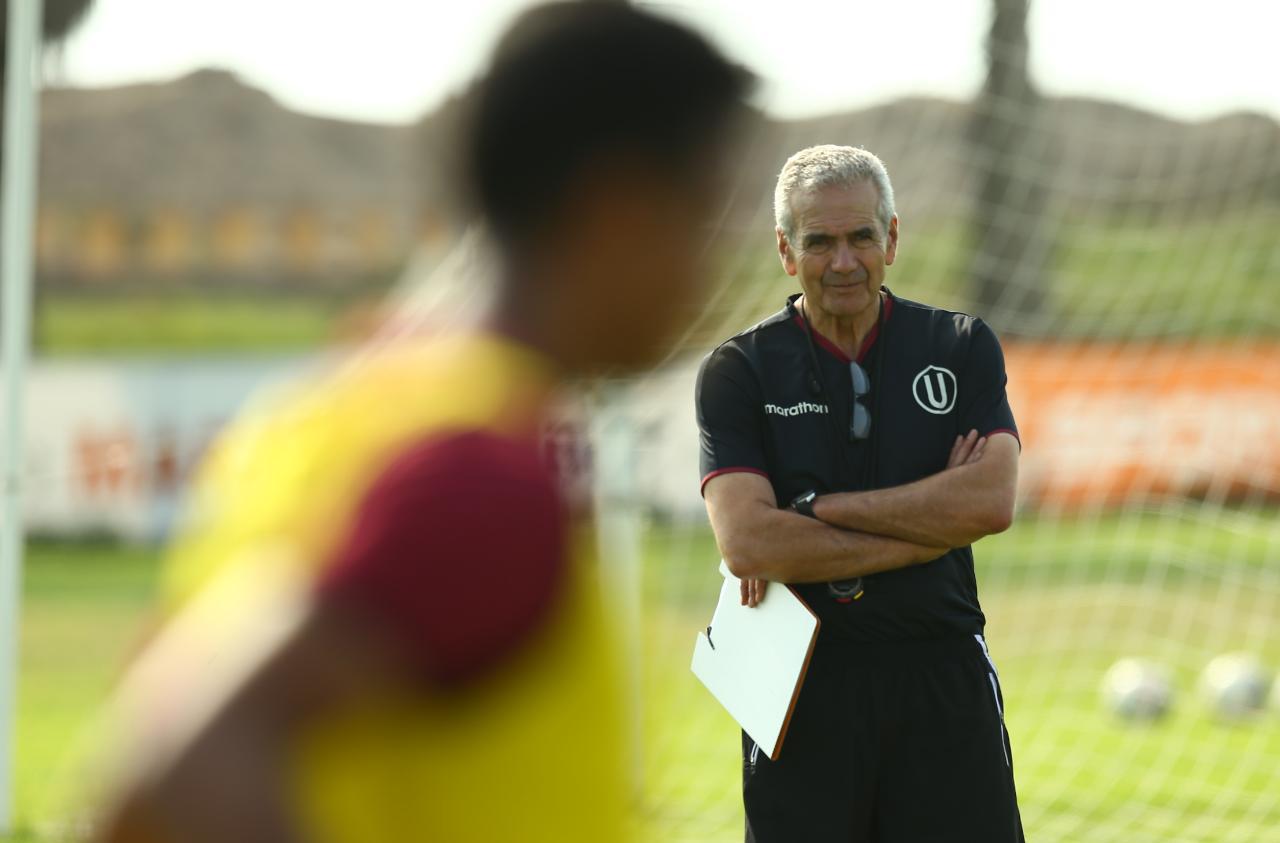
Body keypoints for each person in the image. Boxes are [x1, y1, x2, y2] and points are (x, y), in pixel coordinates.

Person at [88, 5, 752, 842]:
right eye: (705, 217)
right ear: (622, 212)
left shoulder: (330, 411)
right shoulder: (480, 475)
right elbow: (175, 765)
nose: (713, 265)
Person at [696, 144, 1024, 842]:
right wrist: (930, 523)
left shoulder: (961, 346)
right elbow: (749, 539)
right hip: (797, 679)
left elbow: (990, 503)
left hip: (940, 671)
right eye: (819, 242)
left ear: (892, 239)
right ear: (786, 251)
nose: (842, 261)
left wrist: (814, 512)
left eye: (860, 237)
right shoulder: (739, 371)